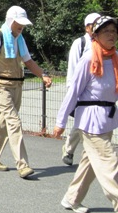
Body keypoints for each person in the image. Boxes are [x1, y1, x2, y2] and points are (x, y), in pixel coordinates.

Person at [0, 6, 52, 178]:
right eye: (19, 24)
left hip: (17, 85)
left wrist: (43, 76)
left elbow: (29, 62)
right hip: (0, 85)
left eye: (23, 25)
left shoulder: (19, 39)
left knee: (4, 122)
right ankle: (22, 165)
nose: (21, 27)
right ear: (11, 20)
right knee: (14, 121)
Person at [54, 16, 118, 213]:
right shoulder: (89, 58)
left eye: (114, 31)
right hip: (90, 121)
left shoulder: (115, 57)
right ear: (95, 35)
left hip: (107, 119)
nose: (112, 35)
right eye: (106, 31)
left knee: (90, 163)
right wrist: (60, 121)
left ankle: (71, 199)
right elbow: (73, 92)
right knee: (109, 165)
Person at [62, 12, 101, 166]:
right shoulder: (80, 43)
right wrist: (72, 91)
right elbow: (72, 67)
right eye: (94, 25)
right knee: (81, 121)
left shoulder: (103, 43)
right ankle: (69, 150)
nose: (97, 27)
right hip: (80, 89)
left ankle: (75, 151)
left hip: (97, 91)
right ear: (87, 27)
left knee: (89, 122)